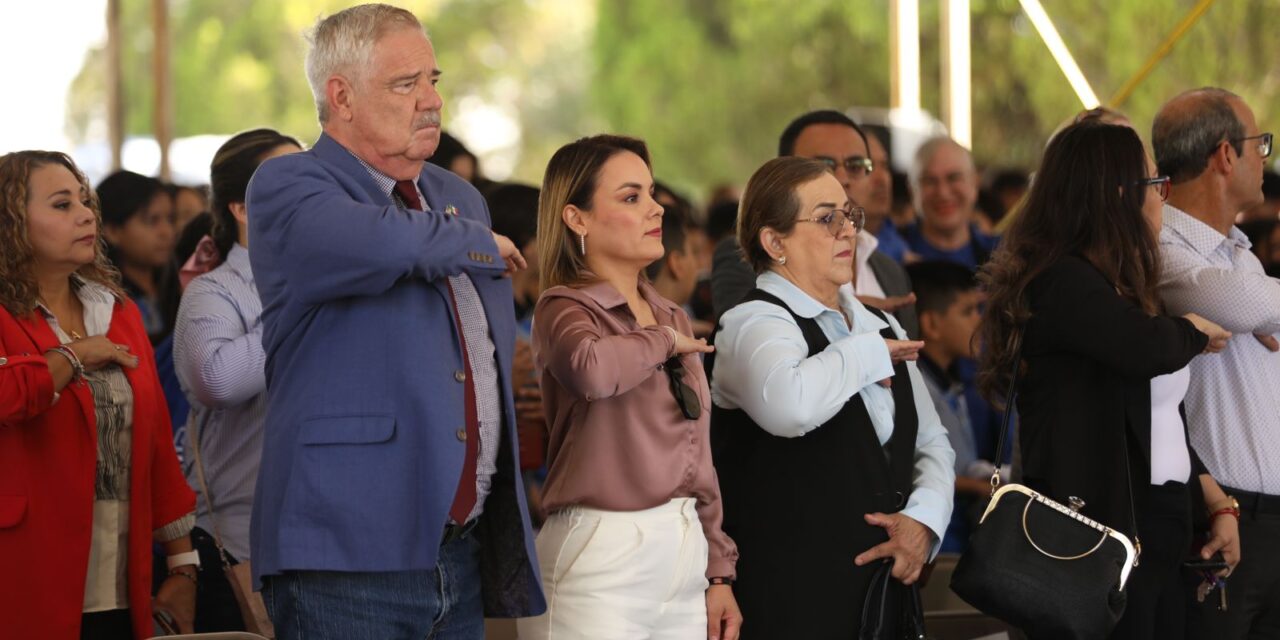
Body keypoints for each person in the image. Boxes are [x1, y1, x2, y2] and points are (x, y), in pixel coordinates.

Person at [245, 5, 543, 637]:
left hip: (458, 545)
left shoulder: (458, 197)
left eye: (433, 80)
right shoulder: (288, 183)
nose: (432, 101)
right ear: (341, 95)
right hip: (344, 551)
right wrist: (475, 239)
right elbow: (382, 243)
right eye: (406, 84)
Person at [979, 120, 1239, 640]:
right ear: (1116, 196)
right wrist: (1189, 330)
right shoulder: (1062, 280)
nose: (1163, 199)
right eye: (1154, 185)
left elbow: (1162, 421)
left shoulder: (1117, 283)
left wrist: (1214, 502)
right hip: (1099, 530)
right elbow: (1143, 348)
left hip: (1159, 524)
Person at [710, 156, 954, 637]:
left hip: (885, 598)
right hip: (790, 603)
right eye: (827, 219)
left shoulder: (878, 325)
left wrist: (923, 522)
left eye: (850, 215)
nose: (849, 232)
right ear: (774, 242)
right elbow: (791, 406)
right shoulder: (752, 323)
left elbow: (930, 440)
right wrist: (867, 353)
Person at [518, 134, 741, 640]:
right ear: (577, 218)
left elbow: (696, 454)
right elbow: (593, 370)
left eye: (651, 193)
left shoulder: (669, 313)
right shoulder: (563, 307)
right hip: (600, 552)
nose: (655, 209)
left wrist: (719, 569)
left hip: (683, 552)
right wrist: (662, 340)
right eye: (631, 197)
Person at [0, 150, 198, 638]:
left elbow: (153, 440)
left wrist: (183, 565)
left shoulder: (115, 310)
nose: (87, 214)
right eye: (63, 205)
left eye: (85, 201)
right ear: (11, 223)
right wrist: (74, 357)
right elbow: (9, 397)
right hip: (25, 573)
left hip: (120, 580)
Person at [1152, 87, 1280, 638]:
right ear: (1226, 155)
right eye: (1261, 145)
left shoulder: (1240, 253)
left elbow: (1254, 307)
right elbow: (1236, 303)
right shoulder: (1159, 245)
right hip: (1218, 518)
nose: (1264, 158)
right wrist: (1263, 312)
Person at [172, 129, 301, 632]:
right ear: (241, 209)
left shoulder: (328, 284)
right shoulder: (213, 292)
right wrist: (301, 300)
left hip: (321, 538)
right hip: (239, 543)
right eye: (288, 182)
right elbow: (218, 382)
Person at [712, 110, 918, 338]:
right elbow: (742, 337)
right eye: (823, 165)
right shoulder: (744, 257)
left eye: (855, 165)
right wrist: (846, 312)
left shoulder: (890, 271)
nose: (842, 179)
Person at [906, 260, 1005, 553]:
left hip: (962, 535)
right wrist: (980, 487)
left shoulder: (951, 381)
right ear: (932, 324)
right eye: (967, 311)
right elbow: (913, 467)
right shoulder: (915, 385)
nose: (980, 321)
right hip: (935, 544)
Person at [97, 170, 180, 344]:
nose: (167, 232)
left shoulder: (179, 283)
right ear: (112, 231)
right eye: (152, 220)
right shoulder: (103, 302)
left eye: (170, 219)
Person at [902, 136, 999, 269]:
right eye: (929, 181)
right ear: (912, 191)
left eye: (954, 178)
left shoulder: (1001, 258)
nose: (943, 193)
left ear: (975, 183)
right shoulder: (891, 257)